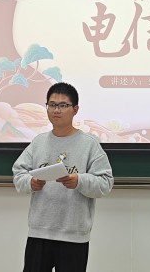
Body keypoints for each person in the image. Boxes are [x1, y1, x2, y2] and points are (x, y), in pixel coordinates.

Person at [13, 82, 114, 272]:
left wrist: (79, 181)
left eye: (63, 105)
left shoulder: (89, 144)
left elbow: (105, 183)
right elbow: (19, 173)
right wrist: (31, 183)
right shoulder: (38, 142)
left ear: (75, 109)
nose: (56, 110)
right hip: (40, 231)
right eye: (52, 105)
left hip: (73, 234)